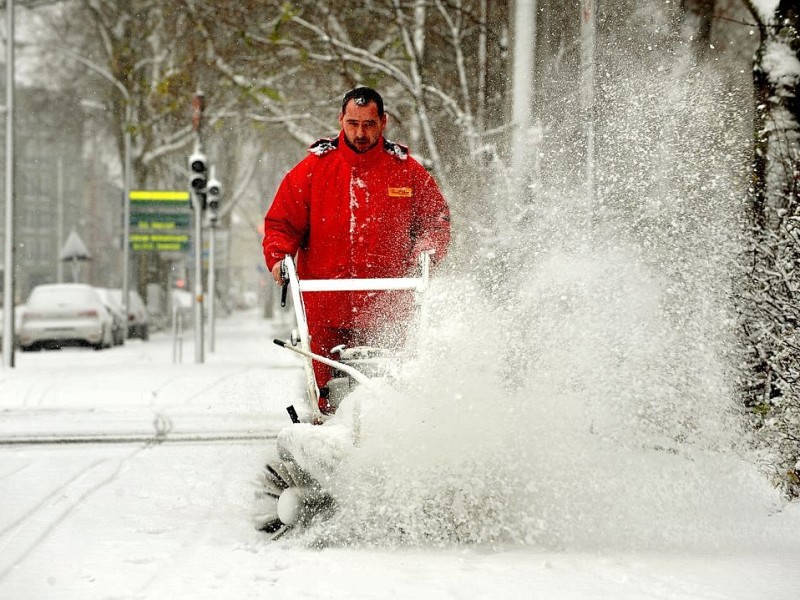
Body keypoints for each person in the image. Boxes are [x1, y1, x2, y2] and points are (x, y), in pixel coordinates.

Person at [262, 86, 450, 414]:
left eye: (368, 124)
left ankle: (387, 435)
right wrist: (279, 257)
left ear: (383, 122)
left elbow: (436, 220)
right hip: (325, 312)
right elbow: (281, 224)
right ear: (341, 120)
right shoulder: (312, 171)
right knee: (324, 393)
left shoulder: (407, 172)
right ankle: (324, 423)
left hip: (386, 312)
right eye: (353, 124)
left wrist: (426, 253)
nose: (360, 133)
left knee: (389, 392)